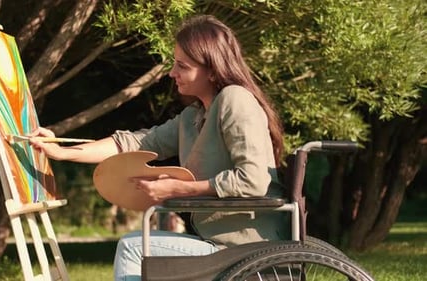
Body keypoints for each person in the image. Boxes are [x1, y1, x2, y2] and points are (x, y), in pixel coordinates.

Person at [31, 14, 288, 281]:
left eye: (182, 66)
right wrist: (61, 151)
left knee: (133, 249)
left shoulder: (235, 99)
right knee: (133, 244)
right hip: (219, 245)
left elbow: (254, 180)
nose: (171, 72)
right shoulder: (194, 116)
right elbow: (132, 143)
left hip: (247, 249)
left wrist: (180, 189)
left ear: (212, 69)